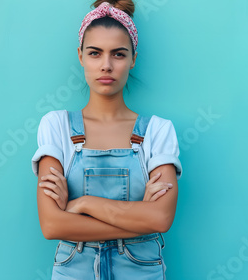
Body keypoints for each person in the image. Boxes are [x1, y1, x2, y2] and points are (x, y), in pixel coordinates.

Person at [30, 1, 183, 279]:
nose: (106, 65)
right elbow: (52, 225)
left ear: (133, 58)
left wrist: (83, 204)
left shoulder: (158, 131)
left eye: (119, 54)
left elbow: (161, 218)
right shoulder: (56, 125)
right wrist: (141, 220)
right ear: (80, 56)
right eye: (95, 53)